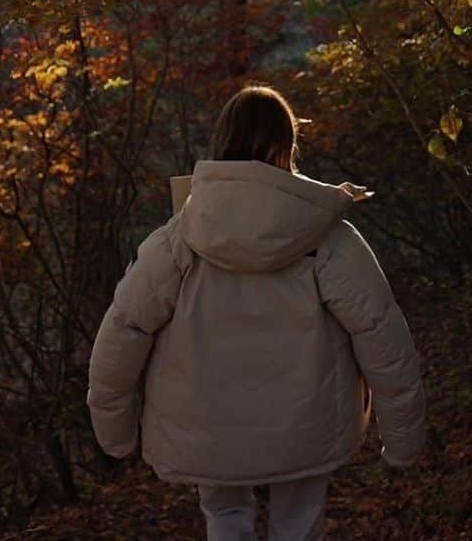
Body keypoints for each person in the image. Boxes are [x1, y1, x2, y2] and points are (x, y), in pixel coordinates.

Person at [87, 84, 426, 541]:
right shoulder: (327, 239)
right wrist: (403, 438)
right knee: (300, 519)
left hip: (208, 431)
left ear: (222, 141)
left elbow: (123, 332)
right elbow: (381, 333)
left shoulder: (177, 242)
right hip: (307, 425)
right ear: (287, 145)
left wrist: (115, 432)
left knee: (225, 517)